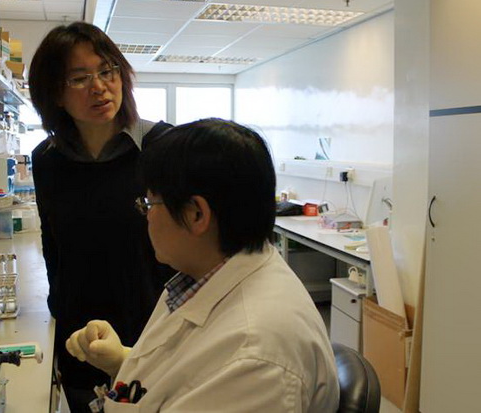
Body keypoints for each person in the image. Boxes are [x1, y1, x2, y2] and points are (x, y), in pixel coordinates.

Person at [66, 118, 340, 412]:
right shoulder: (205, 274)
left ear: (196, 214)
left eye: (149, 203)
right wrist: (121, 360)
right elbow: (186, 373)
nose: (146, 216)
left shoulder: (254, 359)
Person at [28, 22, 174, 411]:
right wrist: (60, 316)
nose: (99, 87)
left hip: (153, 335)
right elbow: (53, 245)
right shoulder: (47, 160)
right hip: (81, 340)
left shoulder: (162, 148)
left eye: (107, 71)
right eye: (79, 78)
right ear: (55, 94)